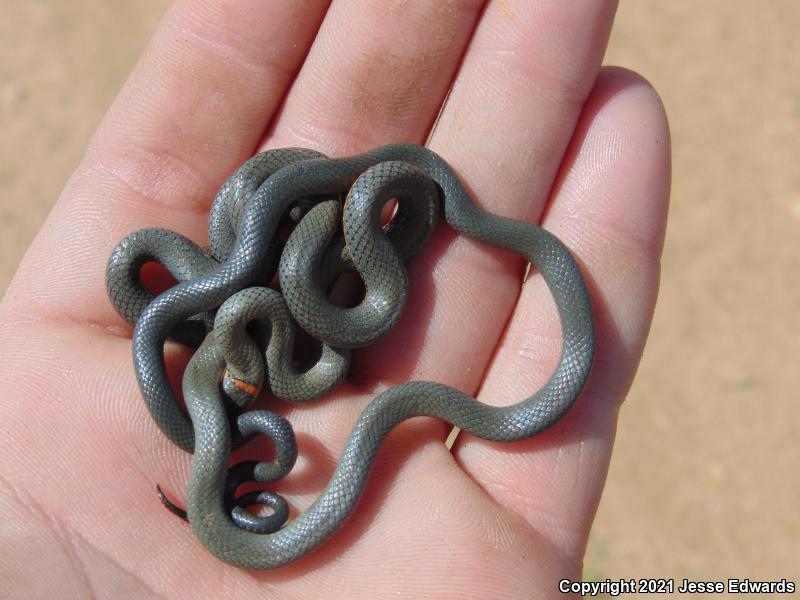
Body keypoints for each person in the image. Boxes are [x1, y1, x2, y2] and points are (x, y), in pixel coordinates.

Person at [0, 1, 669, 597]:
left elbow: (258, 302)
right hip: (263, 283)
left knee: (268, 253)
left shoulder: (293, 291)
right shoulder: (245, 346)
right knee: (242, 268)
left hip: (286, 264)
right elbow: (235, 319)